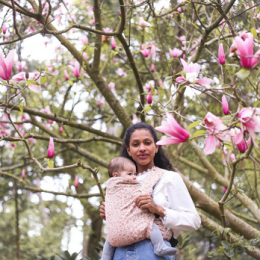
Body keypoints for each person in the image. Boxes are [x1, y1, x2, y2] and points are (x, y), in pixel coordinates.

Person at [100, 122, 201, 260]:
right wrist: (110, 213)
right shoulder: (117, 183)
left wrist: (159, 210)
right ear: (128, 150)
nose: (142, 148)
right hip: (119, 253)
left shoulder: (169, 178)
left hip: (152, 252)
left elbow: (194, 221)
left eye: (147, 143)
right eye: (136, 144)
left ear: (156, 146)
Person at [101, 157, 177, 260]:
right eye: (130, 174)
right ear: (116, 175)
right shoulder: (129, 186)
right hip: (139, 240)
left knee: (110, 238)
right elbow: (144, 191)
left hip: (117, 236)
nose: (134, 177)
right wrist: (155, 173)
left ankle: (105, 257)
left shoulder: (109, 189)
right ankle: (159, 246)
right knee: (150, 226)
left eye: (135, 174)